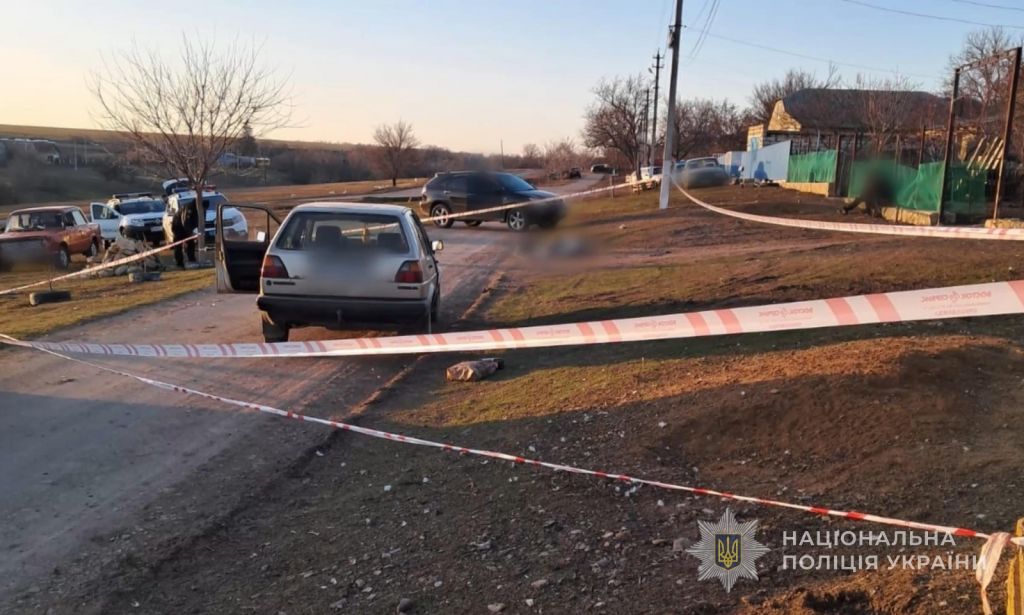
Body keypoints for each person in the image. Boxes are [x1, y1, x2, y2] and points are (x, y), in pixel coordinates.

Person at [171, 201, 199, 269]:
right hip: (178, 227)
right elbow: (185, 221)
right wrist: (190, 233)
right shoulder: (189, 209)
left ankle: (191, 259)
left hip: (185, 227)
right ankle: (179, 263)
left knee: (191, 244)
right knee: (178, 245)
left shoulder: (198, 209)